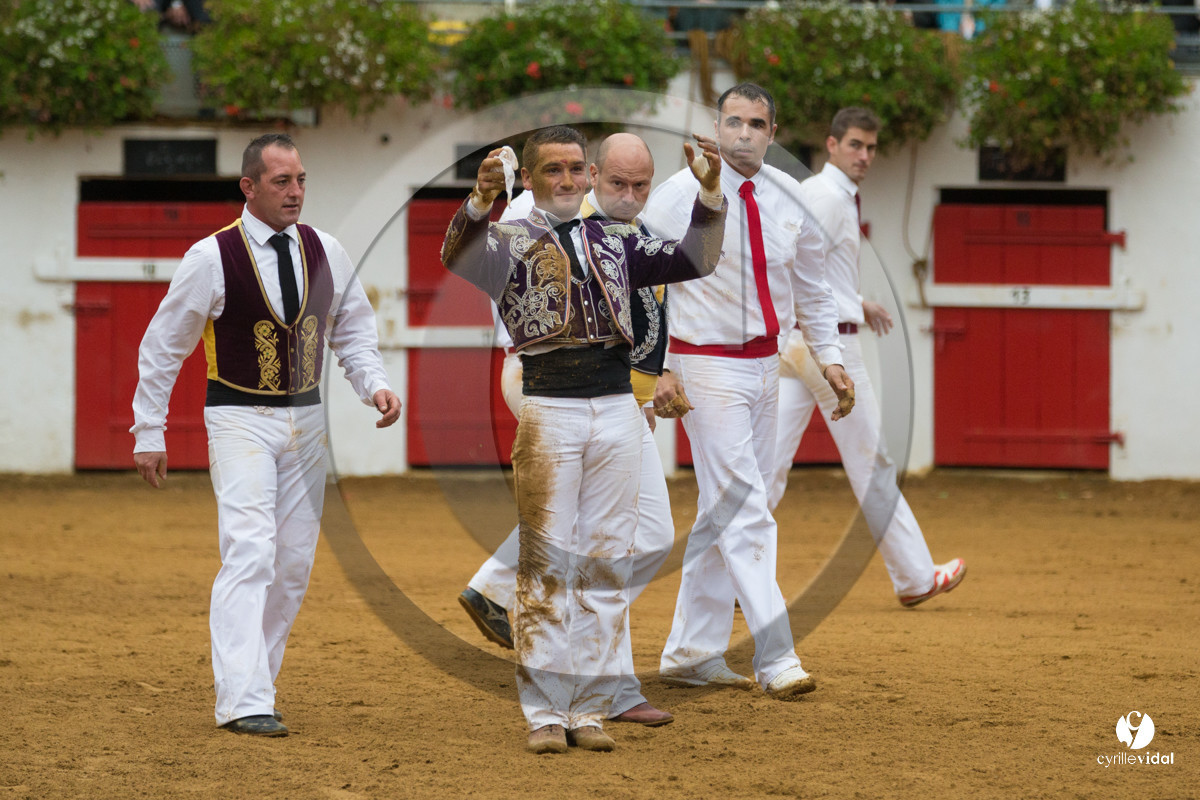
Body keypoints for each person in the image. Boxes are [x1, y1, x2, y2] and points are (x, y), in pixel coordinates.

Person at [440, 125, 726, 754]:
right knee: (546, 563)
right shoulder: (509, 239)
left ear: (588, 174)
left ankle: (591, 709)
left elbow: (697, 259)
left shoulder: (622, 237)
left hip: (618, 408)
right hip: (550, 407)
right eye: (553, 171)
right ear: (534, 180)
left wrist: (710, 194)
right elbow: (457, 257)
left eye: (575, 170)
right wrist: (479, 202)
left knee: (604, 562)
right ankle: (545, 711)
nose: (567, 181)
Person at [131, 133, 401, 737]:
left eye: (301, 179)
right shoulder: (211, 256)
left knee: (294, 564)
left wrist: (372, 384)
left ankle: (259, 683)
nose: (296, 192)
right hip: (238, 419)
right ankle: (243, 698)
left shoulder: (324, 248)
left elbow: (351, 327)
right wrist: (149, 429)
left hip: (307, 422)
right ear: (249, 187)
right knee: (250, 551)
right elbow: (163, 345)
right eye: (282, 182)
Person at [640, 82, 853, 701]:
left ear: (771, 131)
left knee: (723, 511)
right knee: (745, 507)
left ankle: (690, 652)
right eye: (732, 121)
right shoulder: (679, 194)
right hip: (704, 367)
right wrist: (658, 367)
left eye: (755, 123)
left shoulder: (790, 197)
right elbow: (640, 282)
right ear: (717, 124)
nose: (742, 133)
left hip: (766, 367)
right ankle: (776, 654)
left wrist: (829, 357)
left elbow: (812, 290)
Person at [769, 108, 966, 607]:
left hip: (800, 342)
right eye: (856, 145)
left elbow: (816, 274)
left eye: (872, 148)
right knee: (871, 462)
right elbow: (794, 268)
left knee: (766, 465)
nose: (865, 156)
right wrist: (846, 311)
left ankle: (727, 576)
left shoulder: (827, 195)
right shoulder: (827, 197)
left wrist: (858, 302)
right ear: (832, 144)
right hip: (829, 346)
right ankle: (916, 577)